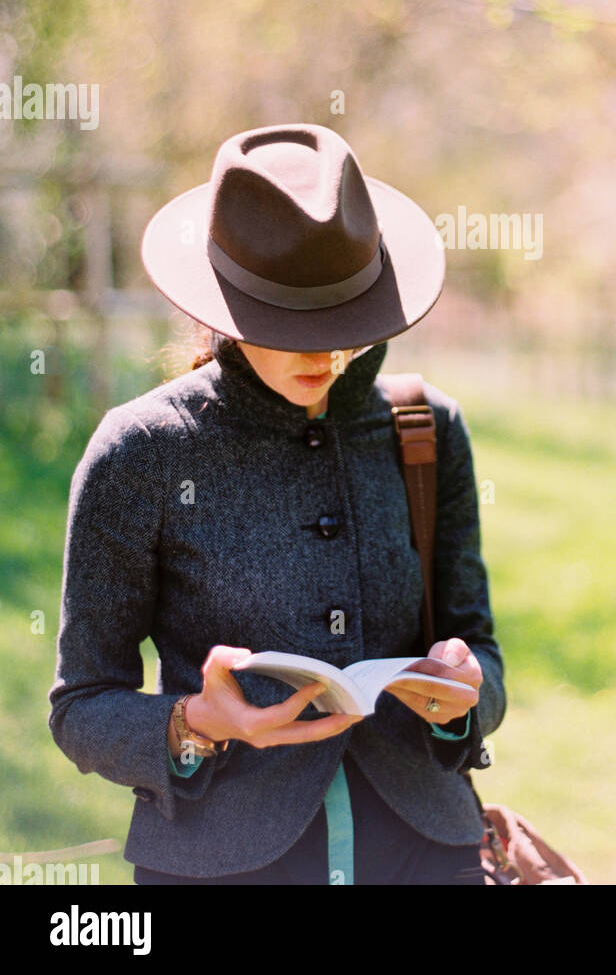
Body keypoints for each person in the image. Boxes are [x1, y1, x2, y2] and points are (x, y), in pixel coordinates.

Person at [48, 122, 505, 885]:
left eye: (341, 322)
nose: (323, 351)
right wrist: (195, 723)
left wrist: (463, 694)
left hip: (428, 854)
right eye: (293, 324)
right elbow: (81, 705)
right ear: (226, 305)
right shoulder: (142, 450)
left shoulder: (427, 430)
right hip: (222, 865)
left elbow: (479, 653)